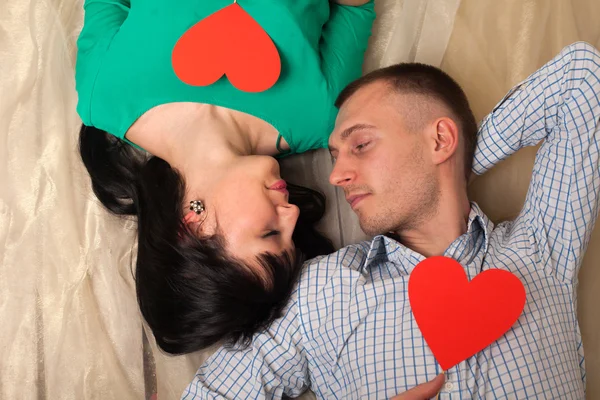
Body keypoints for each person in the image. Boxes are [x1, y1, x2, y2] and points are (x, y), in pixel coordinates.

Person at [183, 42, 600, 399]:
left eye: (360, 144)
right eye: (334, 156)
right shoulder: (319, 293)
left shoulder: (541, 248)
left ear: (440, 138)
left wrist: (455, 163)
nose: (336, 176)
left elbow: (582, 77)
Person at [74, 0, 375, 355]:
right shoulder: (321, 116)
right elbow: (356, 9)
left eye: (270, 233)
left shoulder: (103, 94)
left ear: (191, 225)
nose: (292, 214)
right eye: (291, 237)